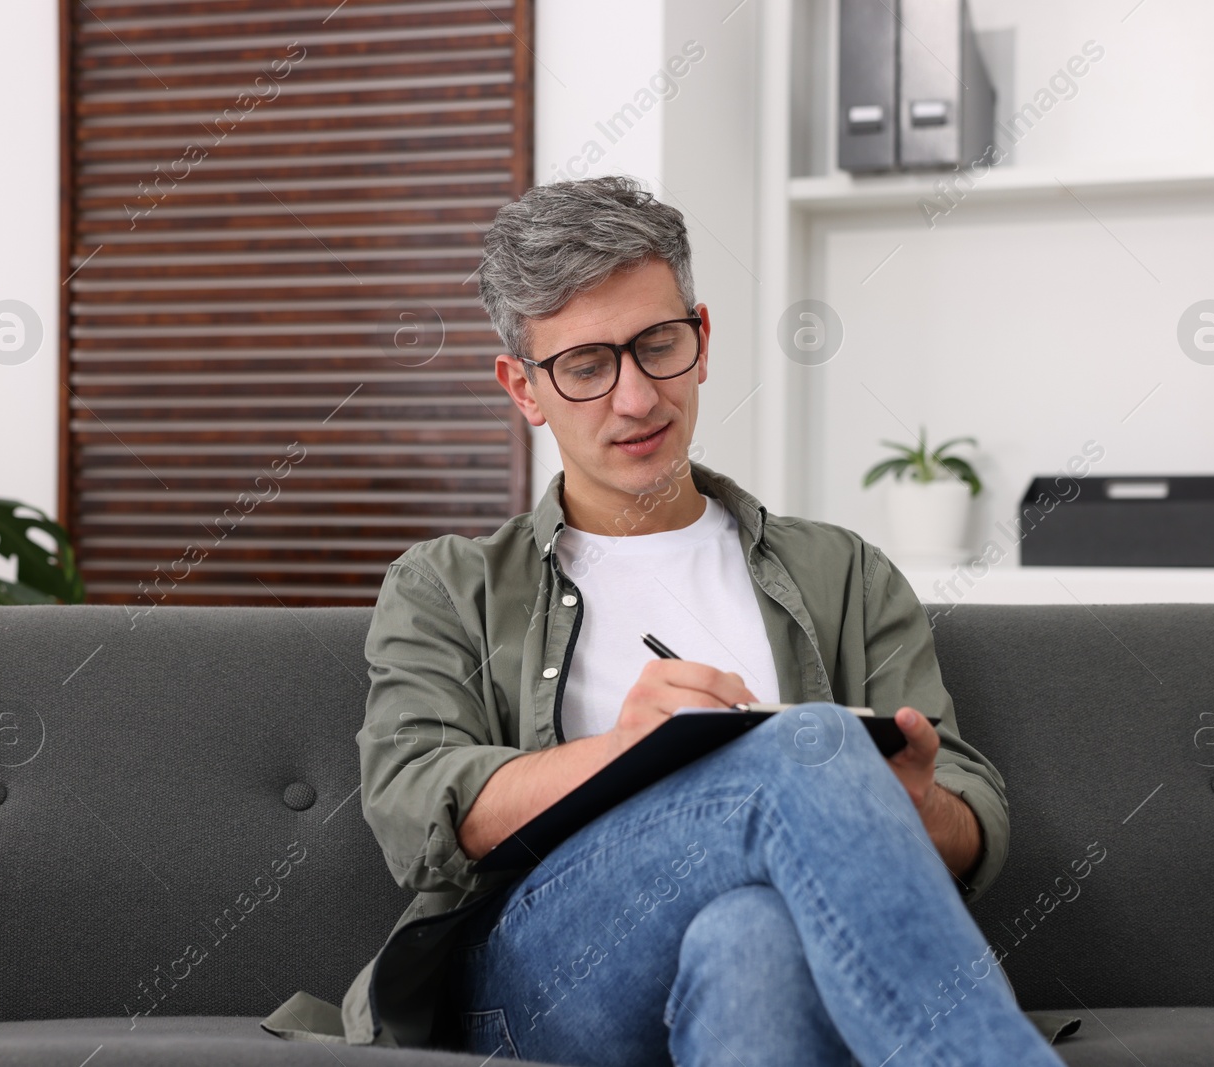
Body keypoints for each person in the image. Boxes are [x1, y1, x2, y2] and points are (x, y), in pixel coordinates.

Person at [262, 176, 1071, 1065]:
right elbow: (416, 804)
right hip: (536, 984)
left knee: (753, 936)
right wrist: (633, 750)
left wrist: (901, 807)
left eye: (657, 346)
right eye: (585, 365)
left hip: (779, 946)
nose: (638, 398)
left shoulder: (842, 572)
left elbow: (970, 810)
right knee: (813, 748)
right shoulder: (447, 584)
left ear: (703, 340)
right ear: (523, 388)